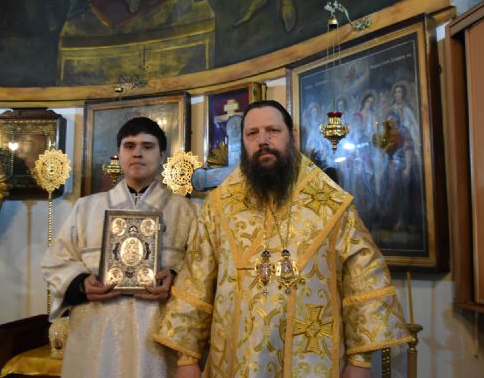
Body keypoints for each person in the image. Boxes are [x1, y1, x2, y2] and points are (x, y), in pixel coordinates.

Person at [154, 100, 411, 378]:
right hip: (236, 360)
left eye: (273, 131)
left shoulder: (332, 205)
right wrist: (188, 358)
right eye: (252, 133)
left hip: (312, 361)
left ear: (293, 137)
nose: (262, 140)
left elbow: (364, 279)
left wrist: (360, 361)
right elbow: (196, 279)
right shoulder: (218, 207)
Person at [41, 117, 197, 378]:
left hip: (158, 336)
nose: (137, 153)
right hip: (96, 333)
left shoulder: (186, 211)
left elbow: (202, 269)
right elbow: (55, 261)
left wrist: (175, 279)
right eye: (130, 146)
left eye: (147, 146)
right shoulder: (86, 208)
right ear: (119, 153)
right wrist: (81, 284)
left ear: (162, 155)